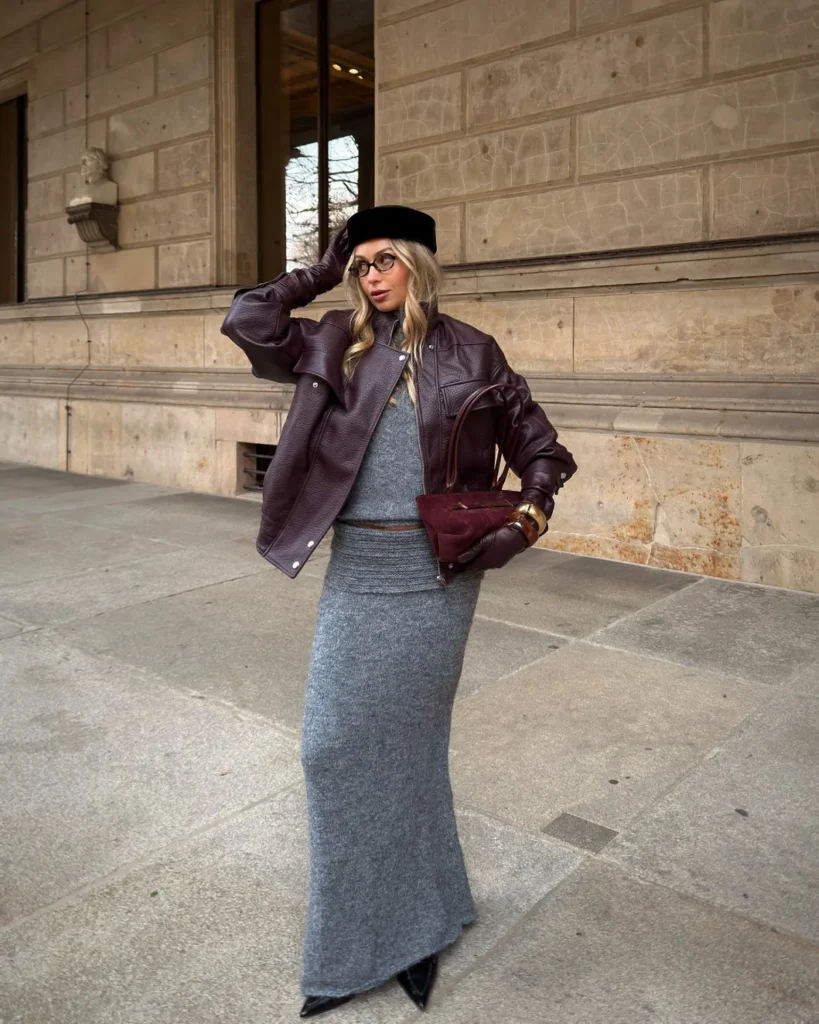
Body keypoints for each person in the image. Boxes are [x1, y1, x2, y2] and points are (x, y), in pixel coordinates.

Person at [220, 205, 577, 1017]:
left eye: (383, 261)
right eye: (360, 265)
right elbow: (248, 318)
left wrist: (528, 518)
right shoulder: (334, 339)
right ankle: (383, 929)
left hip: (434, 578)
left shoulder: (471, 351)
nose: (370, 276)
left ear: (419, 263)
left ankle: (415, 931)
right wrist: (318, 268)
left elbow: (541, 449)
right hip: (359, 571)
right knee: (331, 750)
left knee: (409, 754)